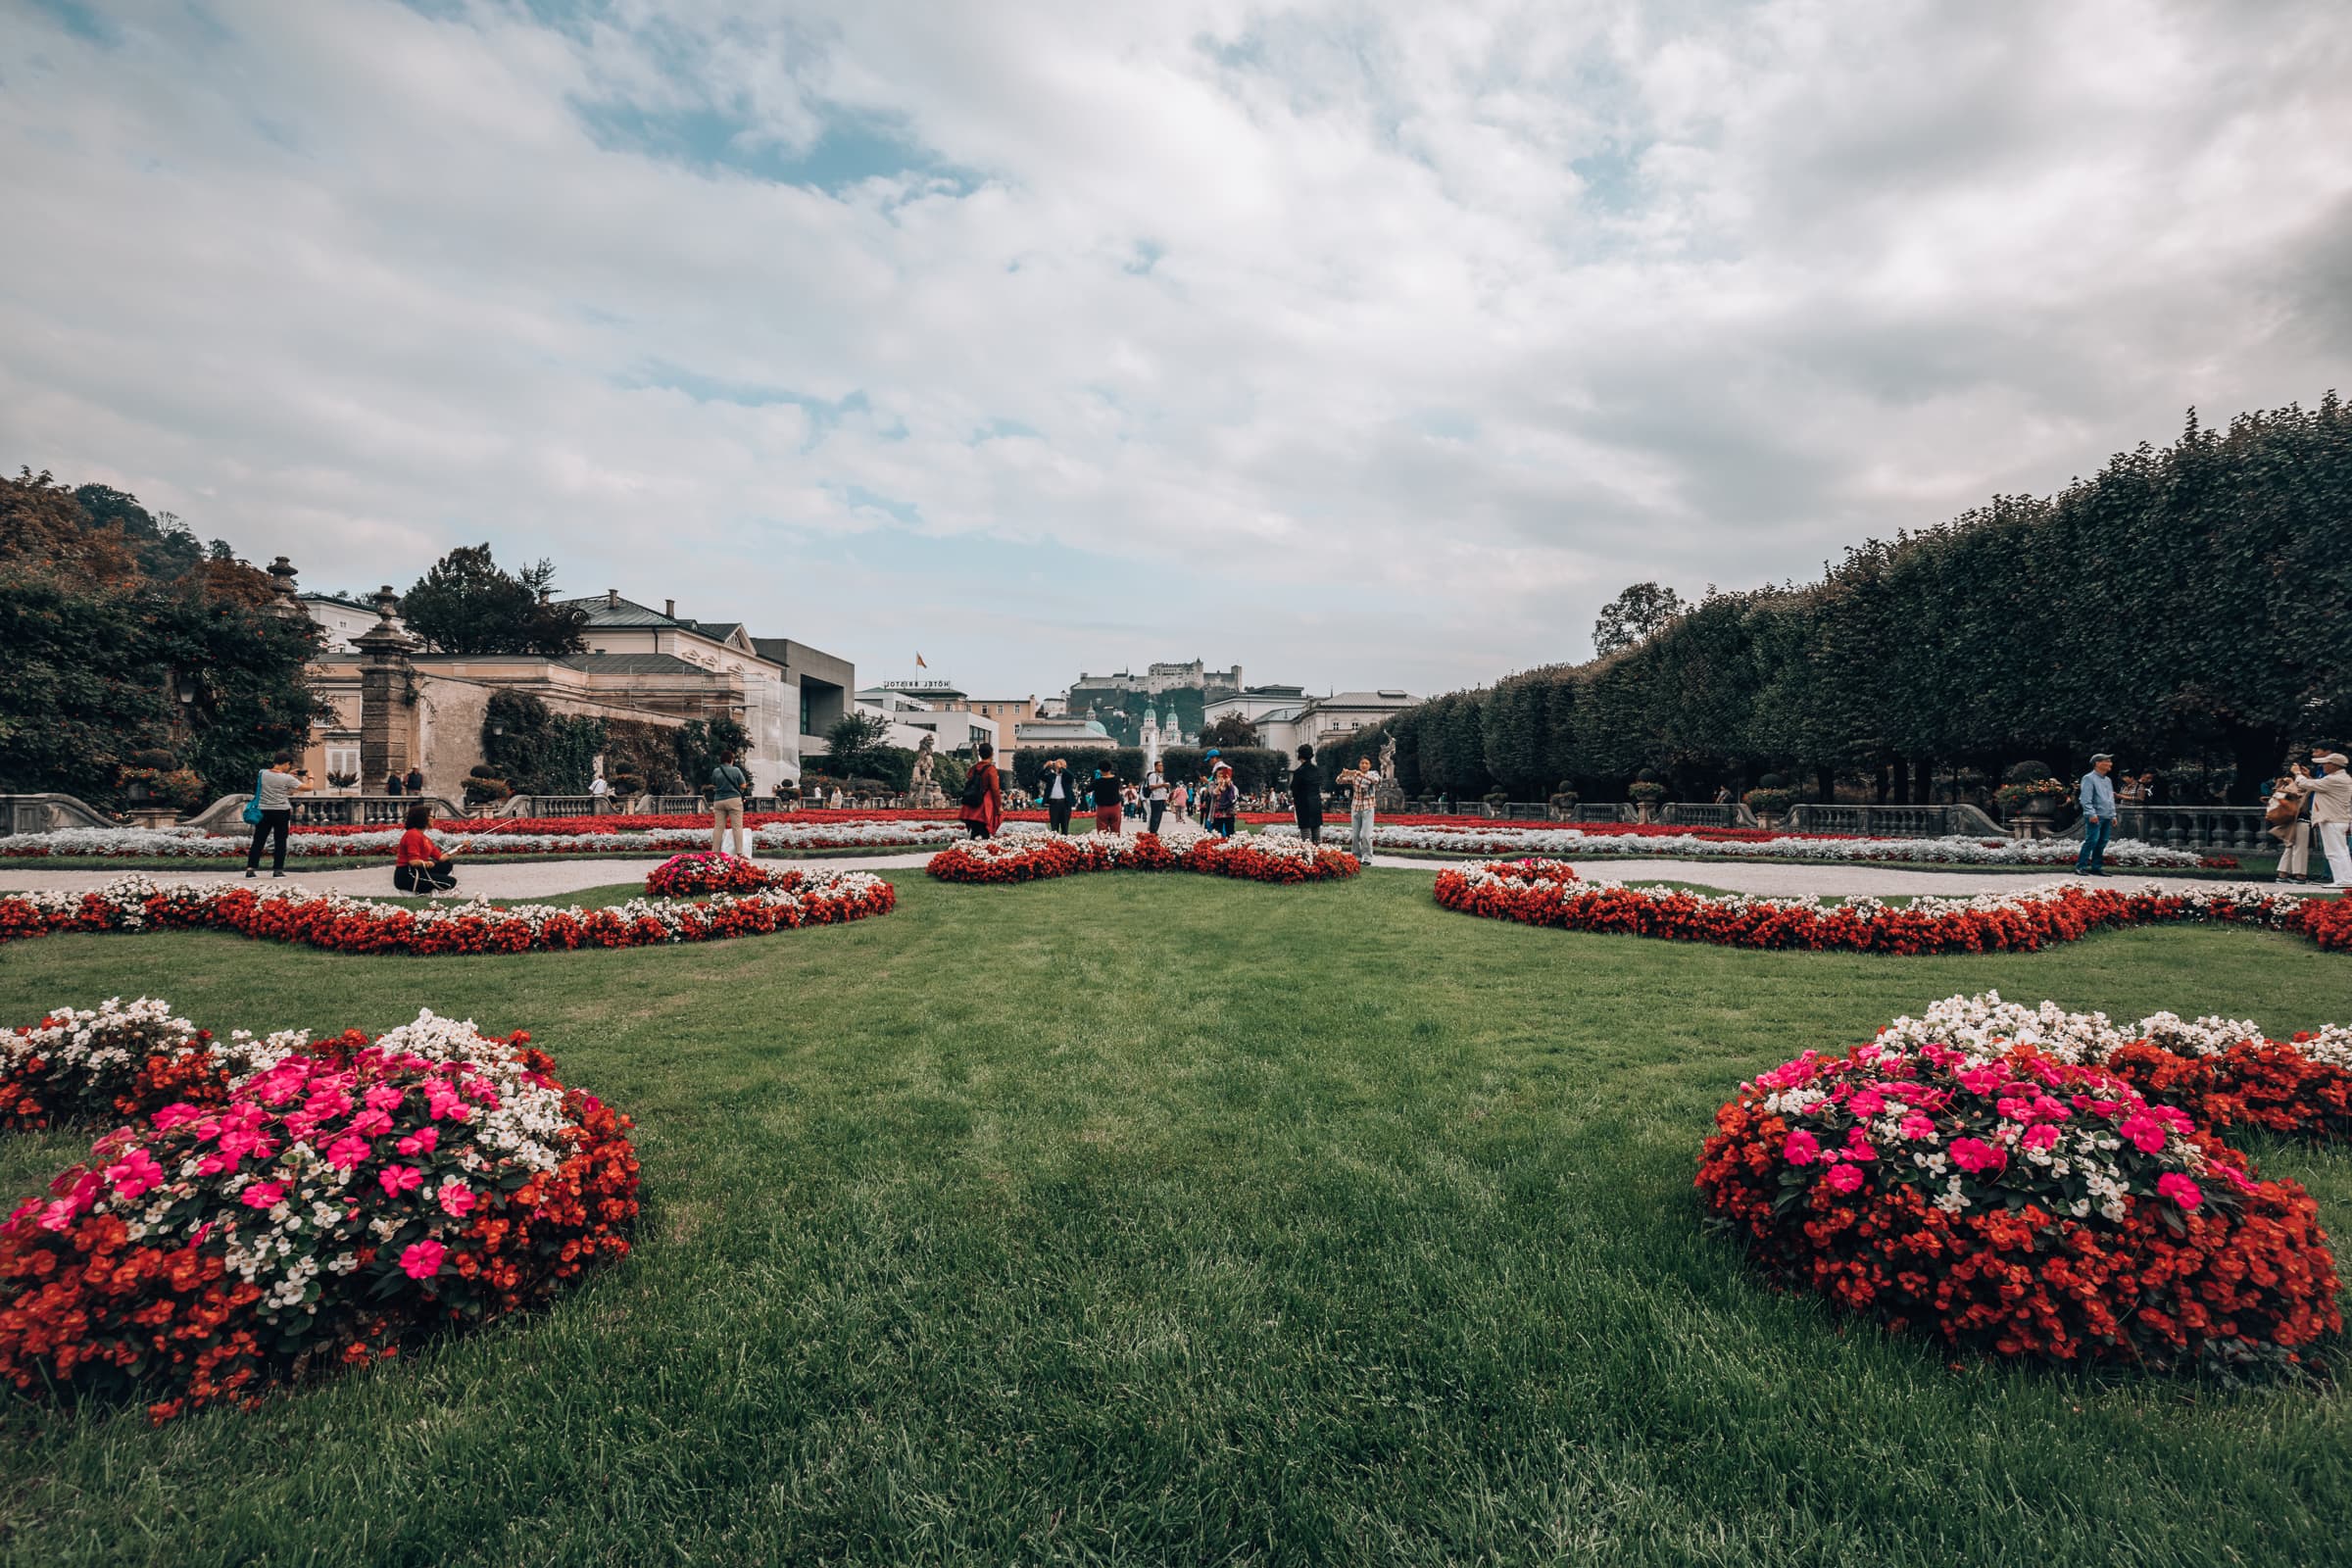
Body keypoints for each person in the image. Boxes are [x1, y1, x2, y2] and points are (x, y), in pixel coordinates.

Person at [2287, 750, 2352, 885]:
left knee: (2334, 852)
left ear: (2334, 765)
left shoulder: (2335, 779)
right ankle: (2345, 879)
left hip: (2331, 820)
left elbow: (2306, 784)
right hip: (2336, 819)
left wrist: (2298, 773)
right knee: (2341, 851)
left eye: (2325, 764)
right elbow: (2318, 785)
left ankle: (2343, 880)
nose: (2323, 766)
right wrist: (2308, 777)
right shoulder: (2340, 778)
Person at [244, 755, 310, 878]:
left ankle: (250, 868)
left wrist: (288, 774)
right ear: (286, 763)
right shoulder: (287, 779)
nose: (288, 767)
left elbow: (275, 778)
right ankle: (278, 870)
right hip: (281, 811)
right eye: (289, 765)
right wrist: (311, 777)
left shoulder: (262, 773)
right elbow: (308, 787)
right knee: (280, 841)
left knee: (258, 840)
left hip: (263, 811)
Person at [392, 803, 459, 893]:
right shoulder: (412, 835)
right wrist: (427, 863)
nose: (434, 819)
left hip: (418, 871)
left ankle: (430, 886)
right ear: (423, 818)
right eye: (432, 816)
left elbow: (441, 858)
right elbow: (413, 862)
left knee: (446, 865)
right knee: (450, 883)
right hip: (408, 875)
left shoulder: (424, 837)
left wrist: (459, 849)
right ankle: (429, 890)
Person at [2267, 762, 2313, 884]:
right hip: (2300, 819)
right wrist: (2299, 779)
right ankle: (2300, 875)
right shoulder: (2295, 787)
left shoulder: (2281, 788)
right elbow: (2306, 789)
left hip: (2289, 820)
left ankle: (2283, 874)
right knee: (2300, 847)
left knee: (2290, 846)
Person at [2075, 752, 2117, 876]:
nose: (2110, 764)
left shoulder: (2108, 780)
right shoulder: (2088, 778)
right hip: (2095, 816)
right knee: (2092, 841)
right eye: (2107, 761)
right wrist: (2091, 813)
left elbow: (2110, 798)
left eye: (2110, 761)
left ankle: (2096, 867)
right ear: (2097, 763)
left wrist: (2113, 815)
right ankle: (2081, 866)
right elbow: (2085, 799)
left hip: (2107, 816)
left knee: (2102, 842)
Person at [1339, 754, 1381, 860]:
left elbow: (1375, 781)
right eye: (1362, 763)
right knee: (1355, 835)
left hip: (1368, 807)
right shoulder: (1354, 775)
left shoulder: (1373, 773)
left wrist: (1359, 774)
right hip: (1356, 807)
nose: (1364, 765)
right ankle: (1356, 856)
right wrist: (1343, 774)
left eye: (1366, 763)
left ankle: (1367, 857)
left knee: (1366, 835)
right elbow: (1339, 781)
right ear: (1359, 764)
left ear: (1370, 765)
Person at [709, 748, 750, 858]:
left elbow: (714, 784)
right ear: (731, 759)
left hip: (718, 800)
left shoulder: (716, 771)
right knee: (737, 827)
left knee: (718, 827)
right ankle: (739, 852)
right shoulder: (736, 770)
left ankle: (714, 852)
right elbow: (743, 785)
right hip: (733, 800)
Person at [959, 742, 1004, 838]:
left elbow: (969, 779)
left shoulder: (974, 768)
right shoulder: (991, 769)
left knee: (975, 832)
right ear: (992, 754)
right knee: (984, 832)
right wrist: (998, 806)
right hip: (984, 804)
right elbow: (995, 789)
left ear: (979, 754)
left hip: (971, 803)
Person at [1292, 744, 1325, 846]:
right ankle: (1318, 854)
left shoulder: (1298, 772)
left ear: (1300, 756)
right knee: (1316, 831)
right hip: (1316, 803)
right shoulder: (1317, 770)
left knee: (1306, 833)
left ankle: (1309, 854)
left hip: (1303, 803)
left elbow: (1294, 788)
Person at [1038, 758, 1077, 834]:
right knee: (1054, 827)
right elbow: (1040, 776)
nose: (1057, 766)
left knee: (1065, 827)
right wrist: (1046, 766)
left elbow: (1071, 776)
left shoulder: (1067, 777)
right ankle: (1054, 843)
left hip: (1065, 804)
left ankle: (1065, 842)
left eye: (1060, 765)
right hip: (1053, 803)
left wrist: (1061, 767)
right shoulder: (1051, 776)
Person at [1089, 765, 1123, 835]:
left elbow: (1088, 789)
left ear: (1100, 770)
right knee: (1116, 830)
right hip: (1115, 806)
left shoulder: (1097, 781)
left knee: (1102, 832)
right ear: (1110, 769)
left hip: (1102, 807)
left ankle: (1104, 844)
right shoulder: (1116, 779)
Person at [1209, 765, 1239, 837]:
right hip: (1217, 812)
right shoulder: (1212, 784)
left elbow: (1234, 796)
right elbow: (1213, 794)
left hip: (1229, 812)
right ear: (1216, 774)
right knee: (1217, 833)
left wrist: (1229, 784)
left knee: (1230, 833)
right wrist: (1219, 784)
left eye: (1222, 773)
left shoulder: (1231, 785)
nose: (1221, 775)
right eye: (1219, 773)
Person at [1146, 763, 1170, 834]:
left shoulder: (1160, 776)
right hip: (1155, 798)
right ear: (1155, 767)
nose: (1161, 767)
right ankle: (1153, 831)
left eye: (1162, 765)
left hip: (1161, 798)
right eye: (1160, 765)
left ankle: (1155, 830)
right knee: (1155, 816)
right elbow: (1151, 787)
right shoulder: (1153, 776)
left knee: (1159, 816)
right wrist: (1162, 785)